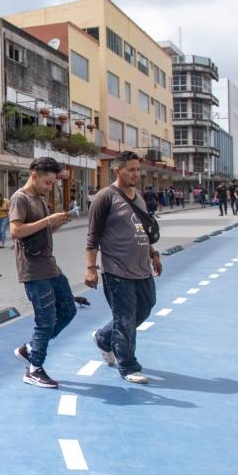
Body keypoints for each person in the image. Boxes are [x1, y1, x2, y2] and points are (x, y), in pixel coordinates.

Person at [85, 151, 162, 384]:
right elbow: (92, 237)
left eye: (138, 170)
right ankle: (128, 366)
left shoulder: (138, 196)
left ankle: (103, 337)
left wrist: (154, 254)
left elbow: (144, 230)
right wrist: (91, 268)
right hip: (116, 270)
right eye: (131, 170)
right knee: (125, 318)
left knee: (146, 308)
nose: (136, 174)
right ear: (117, 170)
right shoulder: (104, 197)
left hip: (142, 268)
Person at [9, 157, 76, 389]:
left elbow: (40, 230)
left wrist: (59, 221)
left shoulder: (40, 199)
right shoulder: (20, 198)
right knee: (45, 320)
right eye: (47, 182)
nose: (50, 187)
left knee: (68, 309)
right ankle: (34, 369)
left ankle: (30, 350)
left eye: (52, 183)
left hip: (50, 266)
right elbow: (16, 231)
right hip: (33, 270)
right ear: (34, 175)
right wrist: (49, 219)